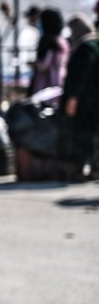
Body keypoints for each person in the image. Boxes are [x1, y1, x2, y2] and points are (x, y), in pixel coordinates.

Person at [59, 13, 99, 179]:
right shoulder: (95, 44)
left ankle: (82, 167)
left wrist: (73, 98)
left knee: (83, 134)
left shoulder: (85, 47)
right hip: (94, 98)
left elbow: (80, 75)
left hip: (85, 99)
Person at [30, 8, 69, 95]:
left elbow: (44, 66)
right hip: (59, 83)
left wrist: (34, 64)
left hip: (45, 88)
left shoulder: (48, 41)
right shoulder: (63, 41)